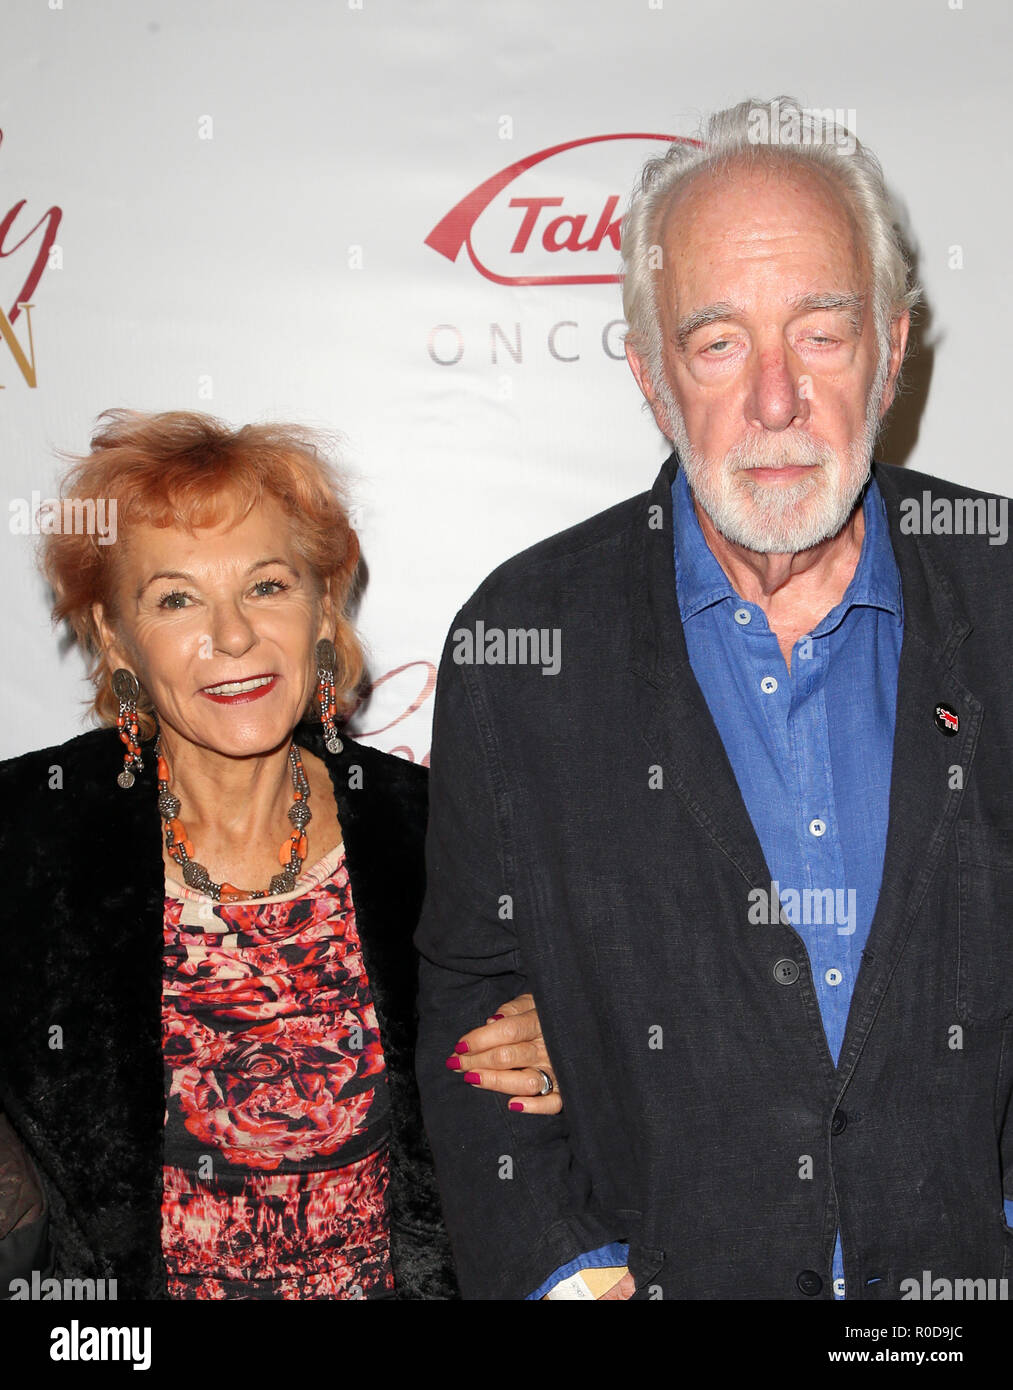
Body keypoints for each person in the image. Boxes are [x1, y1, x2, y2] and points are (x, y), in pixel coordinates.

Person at [415, 97, 1013, 1300]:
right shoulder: (522, 646)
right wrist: (560, 1273)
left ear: (893, 348)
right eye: (717, 342)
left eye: (822, 334)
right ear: (648, 374)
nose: (777, 401)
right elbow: (471, 1001)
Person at [0, 409, 560, 1301]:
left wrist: (576, 1046)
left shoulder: (443, 833)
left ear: (322, 604)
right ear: (115, 638)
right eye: (175, 598)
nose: (231, 637)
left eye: (267, 586)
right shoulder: (23, 837)